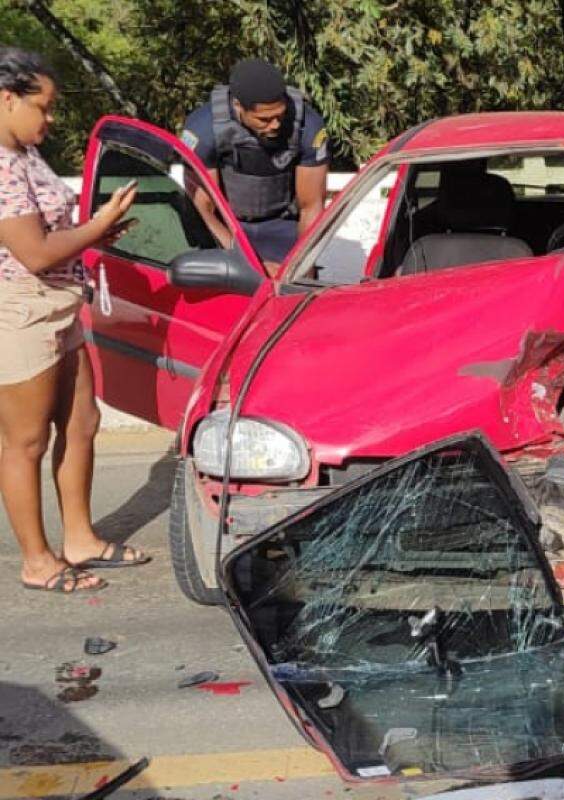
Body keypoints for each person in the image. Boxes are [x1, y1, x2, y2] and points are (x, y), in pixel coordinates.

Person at [0, 48, 151, 594]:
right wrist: (99, 224)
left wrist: (94, 230)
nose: (50, 118)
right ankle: (37, 560)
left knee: (82, 420)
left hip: (61, 302)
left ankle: (80, 538)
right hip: (21, 308)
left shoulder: (23, 153)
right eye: (44, 107)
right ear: (7, 98)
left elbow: (51, 239)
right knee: (26, 442)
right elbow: (35, 253)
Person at [181, 59, 329, 269]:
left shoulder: (308, 126)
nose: (275, 125)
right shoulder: (203, 128)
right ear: (238, 106)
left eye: (280, 115)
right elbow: (201, 209)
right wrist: (246, 262)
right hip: (228, 228)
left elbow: (312, 206)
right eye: (264, 119)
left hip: (283, 227)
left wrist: (301, 264)